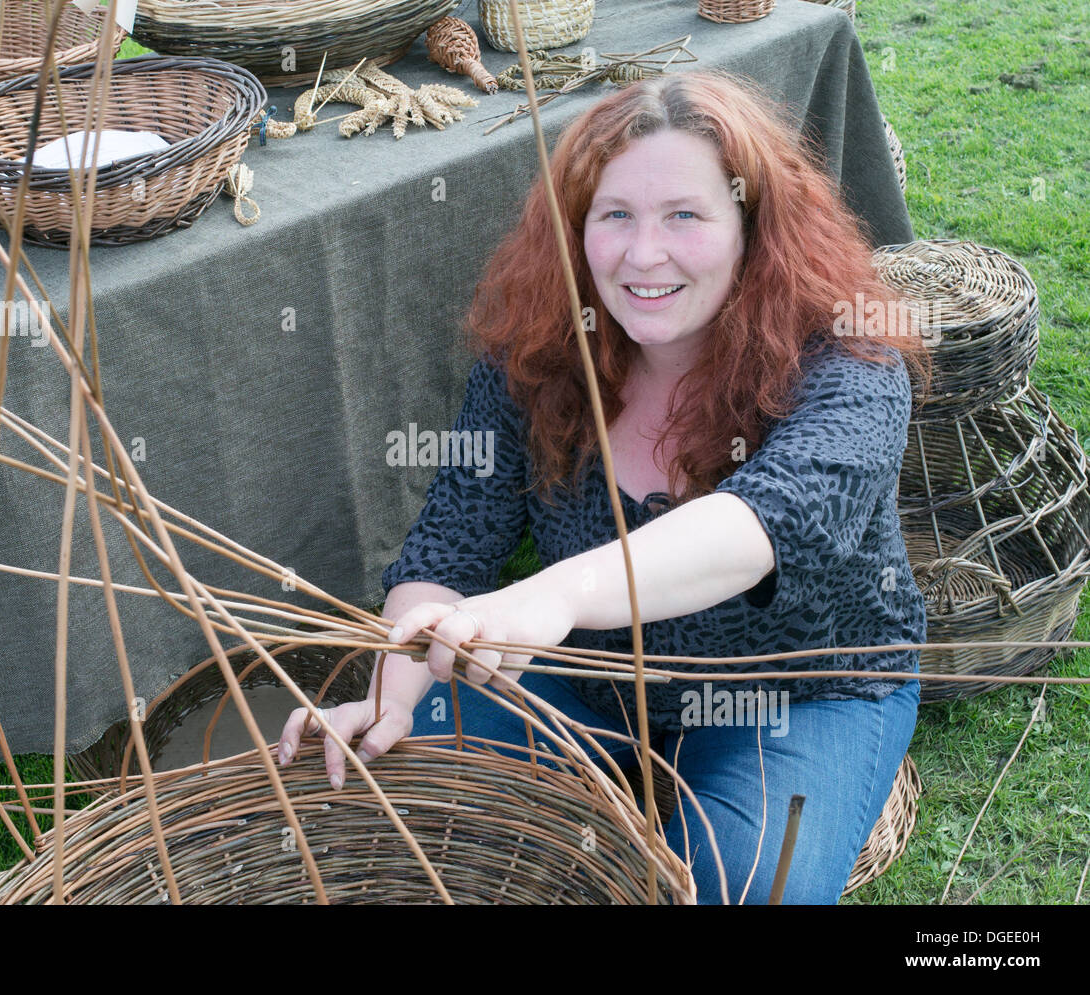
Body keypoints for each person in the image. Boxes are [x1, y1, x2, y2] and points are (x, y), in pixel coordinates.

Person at [279, 70, 930, 904]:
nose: (642, 253)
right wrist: (391, 692)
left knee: (740, 885)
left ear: (753, 225)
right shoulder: (539, 357)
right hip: (589, 677)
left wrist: (557, 595)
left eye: (685, 216)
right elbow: (449, 546)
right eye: (614, 215)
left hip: (797, 691)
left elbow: (762, 527)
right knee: (397, 807)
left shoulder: (849, 362)